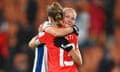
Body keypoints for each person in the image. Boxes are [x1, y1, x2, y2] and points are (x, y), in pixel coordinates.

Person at [29, 2, 82, 72]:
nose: (69, 20)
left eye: (72, 18)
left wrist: (41, 33)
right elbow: (79, 62)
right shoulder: (73, 34)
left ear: (50, 18)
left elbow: (31, 44)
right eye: (67, 17)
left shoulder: (48, 34)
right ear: (61, 17)